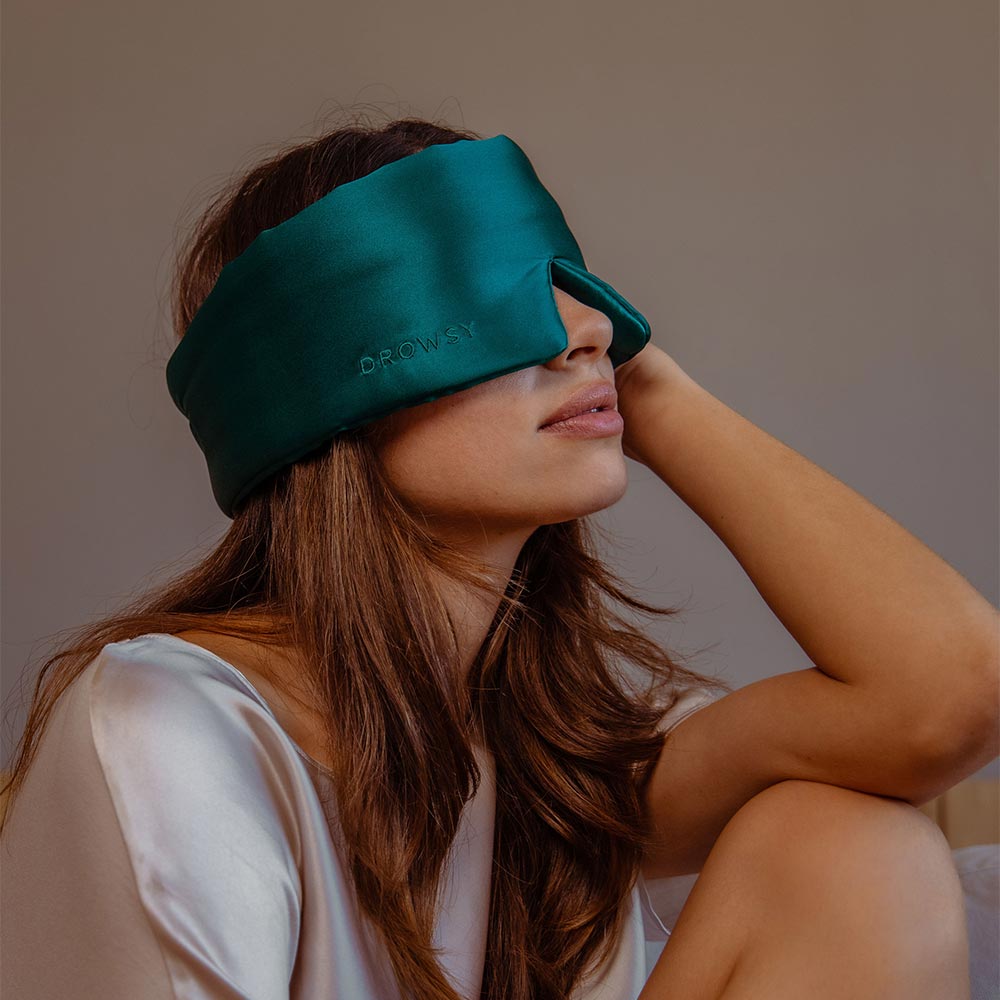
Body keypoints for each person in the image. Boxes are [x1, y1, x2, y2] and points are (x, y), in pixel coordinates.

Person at [1, 114, 995, 1000]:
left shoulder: (536, 754)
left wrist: (647, 387)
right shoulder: (171, 728)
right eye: (486, 296)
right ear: (317, 395)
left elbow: (944, 694)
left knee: (849, 848)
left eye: (576, 287)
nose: (589, 330)